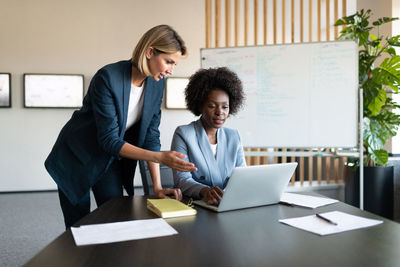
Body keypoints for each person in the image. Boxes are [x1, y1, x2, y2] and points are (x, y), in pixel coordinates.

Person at [45, 25, 197, 228]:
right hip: (76, 157)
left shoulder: (156, 84)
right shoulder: (107, 78)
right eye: (168, 61)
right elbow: (109, 139)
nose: (171, 70)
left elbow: (151, 135)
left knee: (114, 218)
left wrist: (158, 187)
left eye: (174, 64)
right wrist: (159, 157)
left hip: (108, 158)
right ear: (150, 52)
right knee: (78, 226)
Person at [171, 67, 246, 205]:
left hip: (227, 204)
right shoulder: (183, 133)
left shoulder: (234, 136)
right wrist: (205, 191)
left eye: (225, 107)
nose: (219, 112)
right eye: (212, 106)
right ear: (200, 106)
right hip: (197, 205)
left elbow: (242, 177)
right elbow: (182, 180)